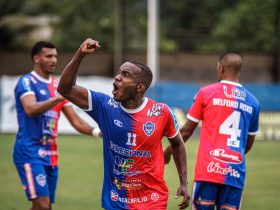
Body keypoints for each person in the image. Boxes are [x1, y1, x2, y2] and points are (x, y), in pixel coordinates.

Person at [57, 38, 191, 210]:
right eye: (119, 73)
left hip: (152, 200)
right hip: (116, 201)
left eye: (125, 75)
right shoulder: (104, 106)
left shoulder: (161, 112)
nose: (117, 77)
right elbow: (65, 89)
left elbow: (178, 143)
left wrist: (184, 183)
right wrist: (80, 54)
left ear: (140, 87)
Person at [164, 50, 260, 210]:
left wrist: (167, 152)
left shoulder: (206, 93)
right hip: (235, 174)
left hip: (208, 172)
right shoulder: (253, 102)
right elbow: (247, 145)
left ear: (220, 68)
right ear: (239, 70)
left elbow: (186, 131)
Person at [13, 41, 101, 210]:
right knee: (43, 206)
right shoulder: (26, 82)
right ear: (36, 58)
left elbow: (75, 121)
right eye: (49, 56)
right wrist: (58, 98)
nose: (54, 60)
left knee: (44, 207)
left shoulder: (57, 86)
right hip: (29, 151)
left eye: (55, 56)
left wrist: (97, 132)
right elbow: (31, 109)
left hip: (51, 154)